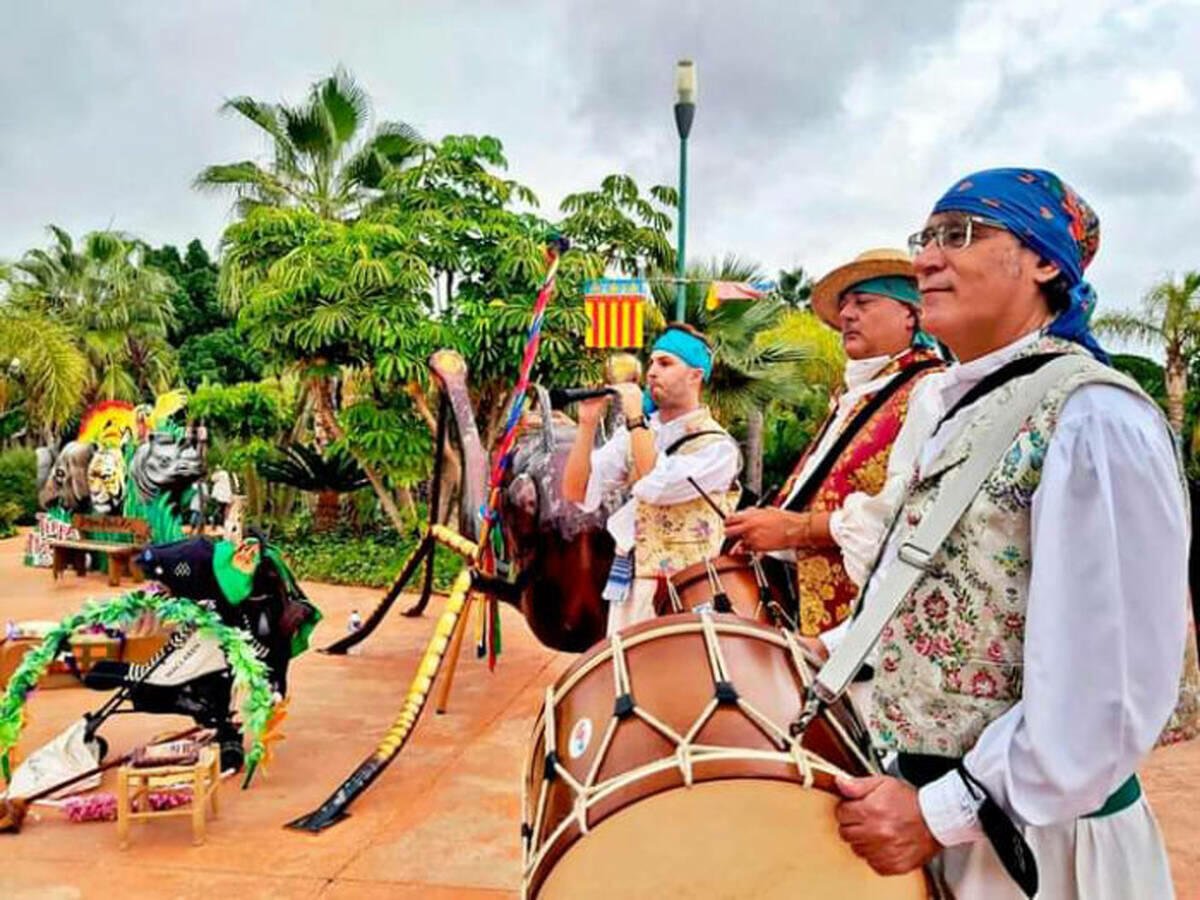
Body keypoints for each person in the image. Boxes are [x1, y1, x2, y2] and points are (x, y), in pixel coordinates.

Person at [827, 168, 1192, 898]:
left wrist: (942, 811)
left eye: (959, 234)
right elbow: (943, 596)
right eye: (924, 238)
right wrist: (829, 653)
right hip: (942, 823)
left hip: (1043, 852)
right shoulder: (965, 409)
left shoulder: (1095, 418)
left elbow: (1109, 688)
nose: (928, 258)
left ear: (1045, 261)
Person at [724, 249, 943, 636]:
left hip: (871, 627)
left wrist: (796, 529)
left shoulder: (930, 389)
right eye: (844, 306)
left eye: (863, 302)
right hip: (806, 609)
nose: (846, 315)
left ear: (912, 314)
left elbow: (911, 518)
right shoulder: (857, 395)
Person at [562, 323, 741, 635]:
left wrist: (634, 417)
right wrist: (588, 424)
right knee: (624, 678)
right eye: (653, 362)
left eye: (666, 363)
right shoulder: (638, 432)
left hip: (686, 596)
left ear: (695, 376)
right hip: (629, 587)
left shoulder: (717, 447)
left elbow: (655, 485)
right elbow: (576, 491)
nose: (652, 372)